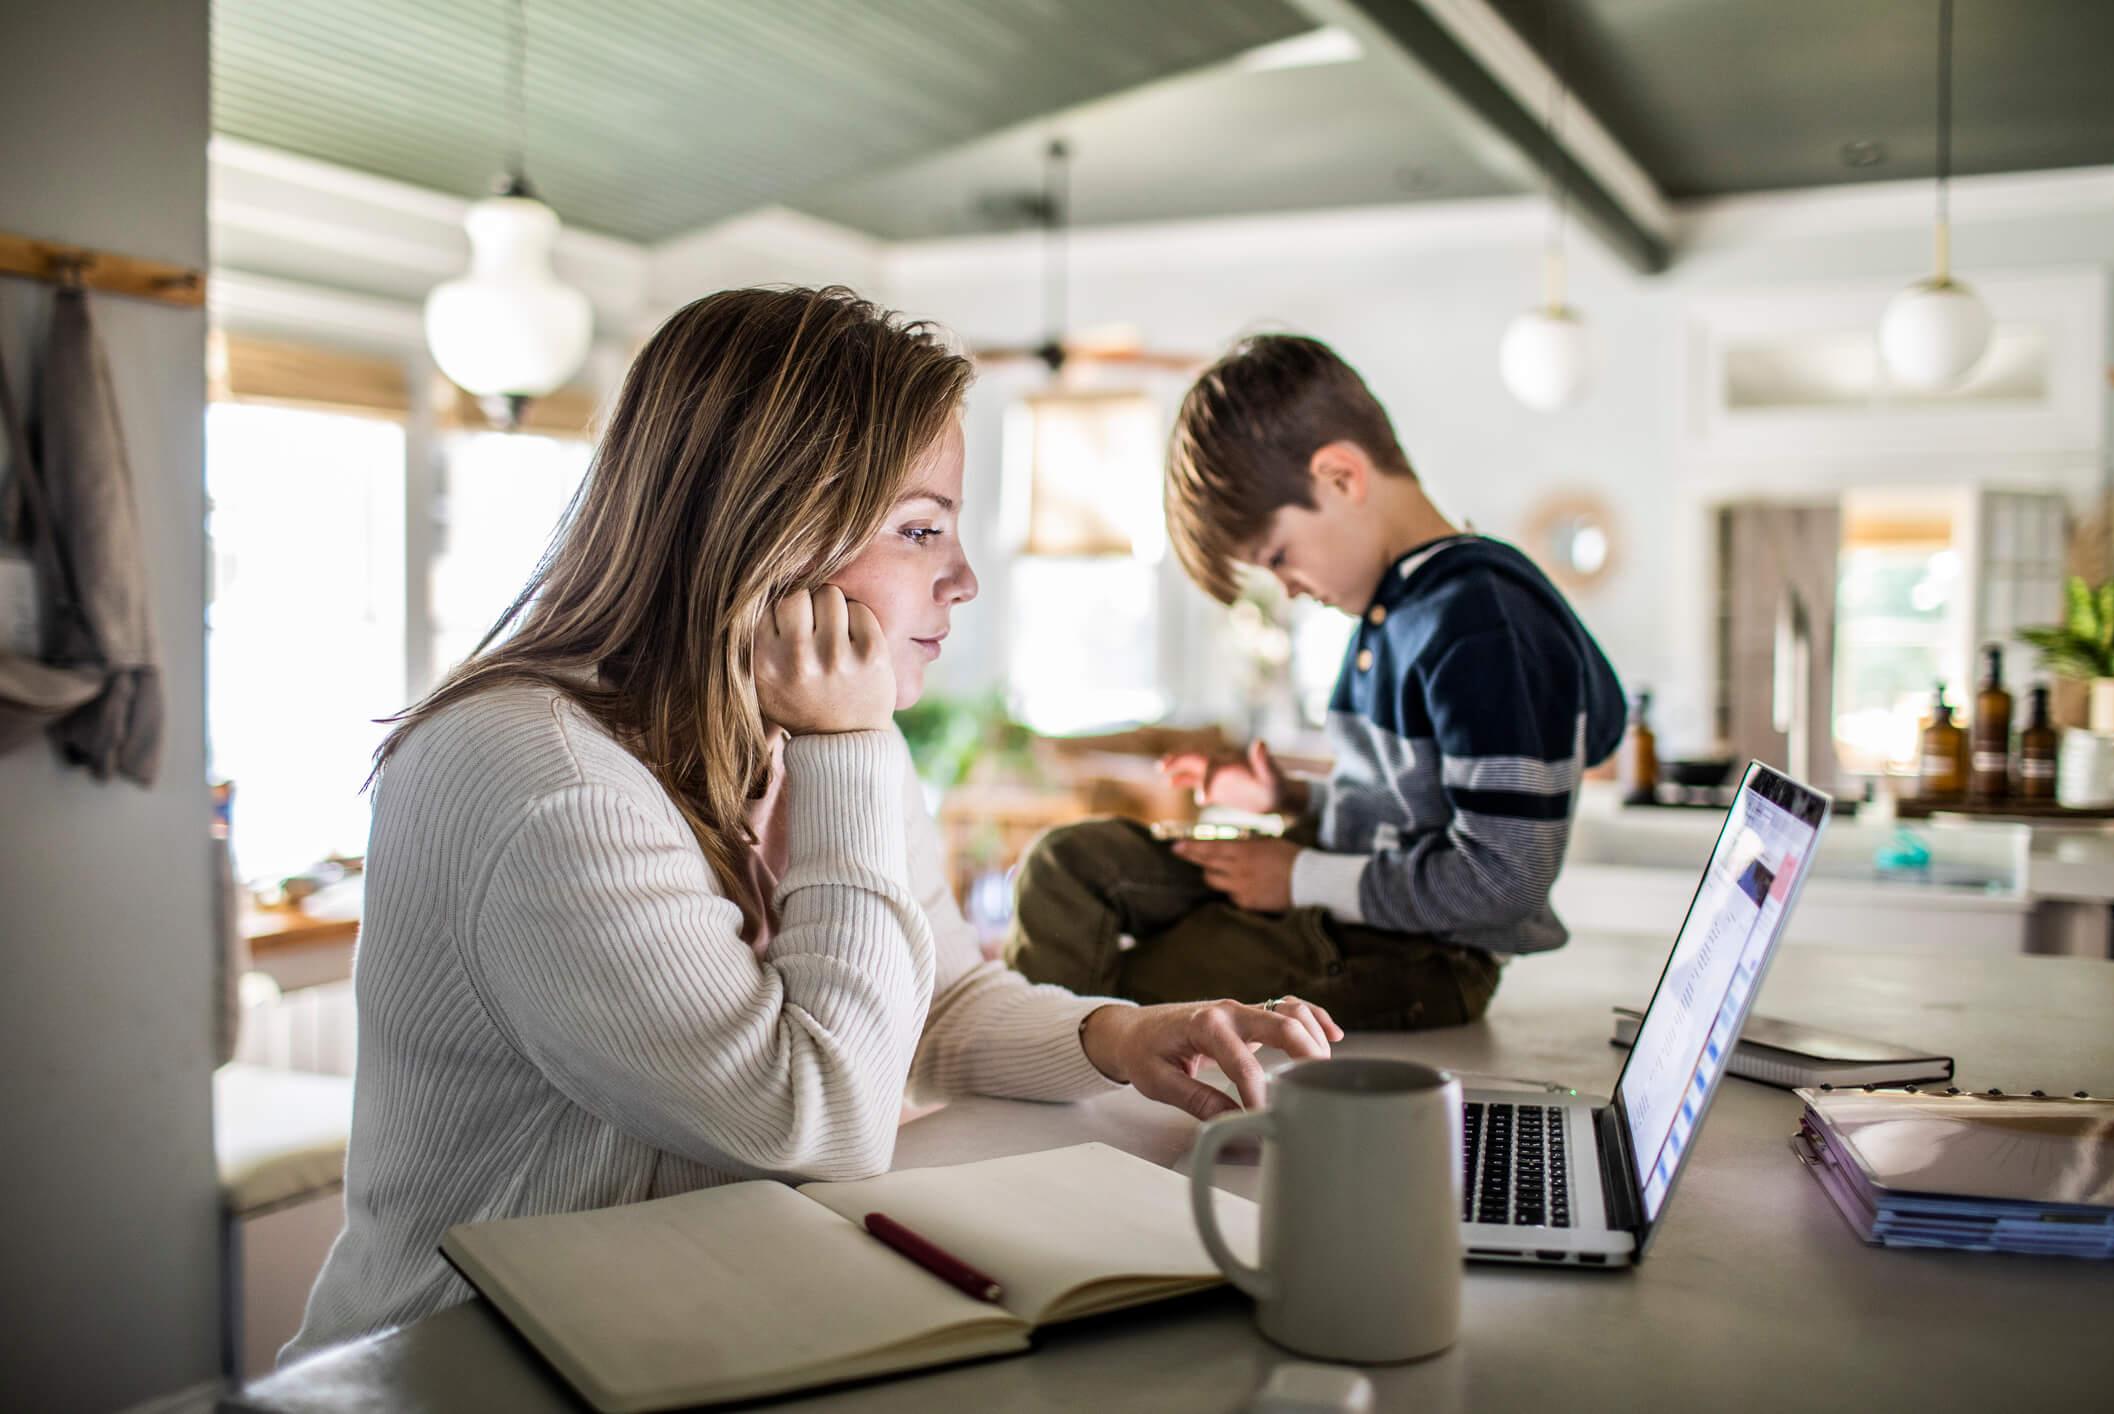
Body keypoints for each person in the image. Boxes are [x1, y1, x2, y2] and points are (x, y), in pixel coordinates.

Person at [284, 289, 1340, 1362]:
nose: (964, 579)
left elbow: (938, 997)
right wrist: (851, 749)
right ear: (770, 533)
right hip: (463, 1367)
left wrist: (1117, 1035)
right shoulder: (546, 778)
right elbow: (813, 1119)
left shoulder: (790, 730)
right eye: (921, 529)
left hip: (669, 1327)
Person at [1004, 334, 1625, 1031]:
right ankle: (1048, 1052)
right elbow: (1409, 808)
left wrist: (1297, 877)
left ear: (1339, 477)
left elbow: (1505, 880)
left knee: (1138, 984)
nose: (1291, 590)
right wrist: (1289, 796)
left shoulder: (1485, 622)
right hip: (1338, 889)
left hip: (1420, 954)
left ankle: (1061, 1086)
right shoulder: (1396, 609)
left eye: (1279, 557)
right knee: (1067, 865)